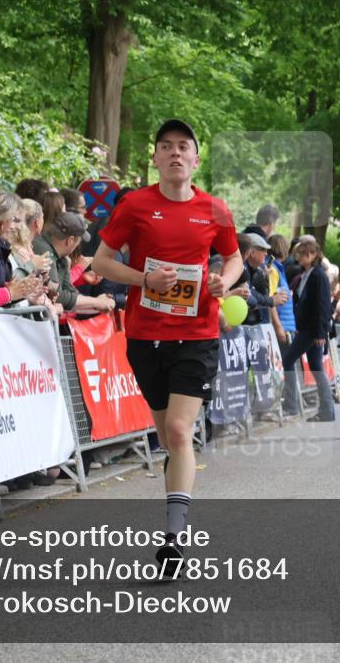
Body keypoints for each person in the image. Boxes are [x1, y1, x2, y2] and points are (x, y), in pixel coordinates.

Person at [91, 119, 242, 572]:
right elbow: (101, 262)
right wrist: (144, 279)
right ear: (155, 158)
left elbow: (233, 257)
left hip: (197, 334)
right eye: (167, 146)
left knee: (178, 431)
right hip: (146, 335)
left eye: (184, 146)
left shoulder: (215, 209)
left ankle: (174, 539)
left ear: (196, 159)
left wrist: (223, 281)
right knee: (167, 437)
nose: (175, 153)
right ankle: (176, 507)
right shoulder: (136, 205)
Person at [281, 239, 335, 421]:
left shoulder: (317, 276)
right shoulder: (309, 274)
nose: (299, 259)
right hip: (309, 328)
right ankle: (326, 410)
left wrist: (320, 332)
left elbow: (322, 305)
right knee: (316, 367)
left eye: (302, 255)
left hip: (311, 330)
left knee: (288, 360)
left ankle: (292, 405)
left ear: (312, 255)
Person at [32, 212, 114, 315]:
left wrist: (98, 302)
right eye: (79, 241)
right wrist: (98, 302)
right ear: (70, 240)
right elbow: (57, 295)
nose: (78, 245)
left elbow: (70, 291)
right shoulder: (45, 252)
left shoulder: (61, 258)